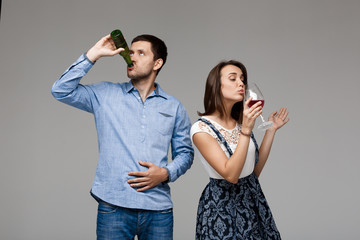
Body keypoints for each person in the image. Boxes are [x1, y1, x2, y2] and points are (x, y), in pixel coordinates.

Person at [51, 33, 194, 240]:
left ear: (157, 63)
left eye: (141, 53)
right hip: (114, 208)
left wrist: (165, 173)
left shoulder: (173, 107)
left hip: (158, 211)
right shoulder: (105, 94)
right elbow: (60, 90)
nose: (131, 57)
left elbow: (186, 153)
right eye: (130, 52)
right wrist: (93, 55)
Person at [191, 60, 289, 239]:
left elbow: (253, 171)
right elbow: (231, 175)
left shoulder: (240, 124)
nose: (241, 83)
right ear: (216, 86)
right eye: (233, 78)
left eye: (242, 79)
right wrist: (246, 131)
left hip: (252, 201)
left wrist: (270, 131)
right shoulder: (201, 129)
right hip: (221, 207)